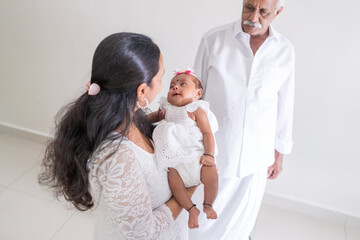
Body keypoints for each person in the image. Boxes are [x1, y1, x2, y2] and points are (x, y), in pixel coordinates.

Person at [38, 32, 195, 239]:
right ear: (141, 91)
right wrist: (187, 193)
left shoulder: (126, 116)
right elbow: (142, 234)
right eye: (160, 78)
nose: (163, 86)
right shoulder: (117, 158)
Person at [189, 0, 295, 239]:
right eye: (249, 7)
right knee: (202, 218)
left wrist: (280, 151)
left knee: (240, 221)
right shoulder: (213, 40)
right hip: (214, 149)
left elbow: (285, 103)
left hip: (257, 154)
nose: (253, 17)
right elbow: (195, 95)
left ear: (278, 12)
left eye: (264, 12)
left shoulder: (284, 50)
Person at [152, 69, 219, 229]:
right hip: (176, 161)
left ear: (197, 94)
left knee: (212, 176)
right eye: (172, 85)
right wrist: (140, 118)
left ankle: (208, 204)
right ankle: (191, 209)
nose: (175, 87)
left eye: (182, 84)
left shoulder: (196, 109)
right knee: (174, 182)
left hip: (198, 159)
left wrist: (209, 154)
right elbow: (150, 119)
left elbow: (207, 133)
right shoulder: (166, 108)